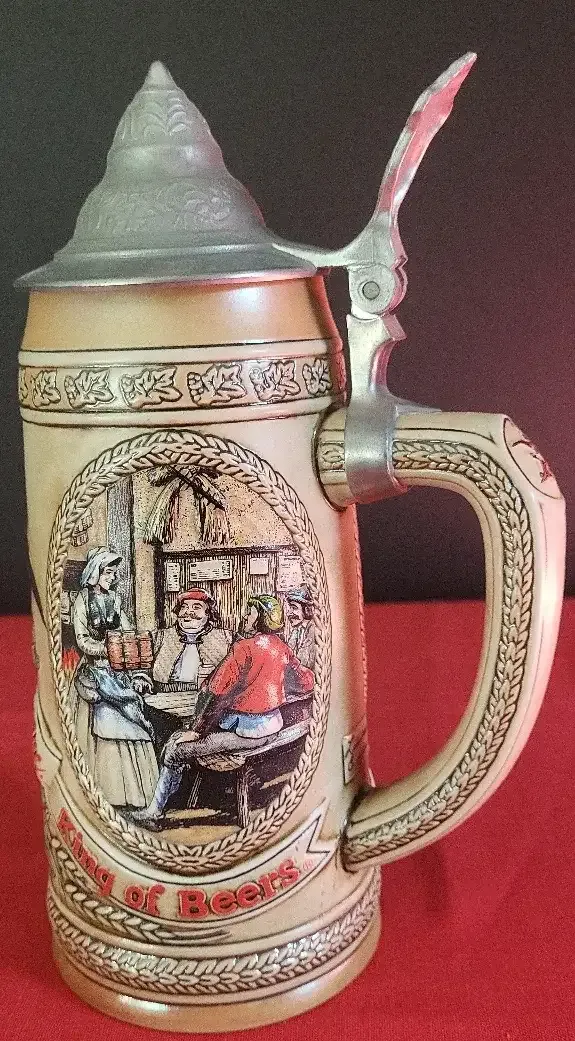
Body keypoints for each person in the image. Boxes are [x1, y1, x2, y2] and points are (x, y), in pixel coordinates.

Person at [130, 594, 314, 828]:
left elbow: (215, 693)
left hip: (245, 735)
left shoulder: (243, 648)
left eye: (250, 613)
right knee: (180, 739)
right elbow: (306, 681)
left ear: (260, 617)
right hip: (272, 729)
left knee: (175, 749)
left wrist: (196, 730)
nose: (245, 617)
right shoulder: (280, 647)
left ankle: (154, 813)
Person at [71, 547, 159, 810]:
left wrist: (131, 653)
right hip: (95, 673)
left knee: (135, 724)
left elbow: (127, 632)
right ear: (95, 573)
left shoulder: (115, 600)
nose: (112, 577)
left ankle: (138, 796)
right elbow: (82, 640)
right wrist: (109, 649)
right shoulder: (82, 601)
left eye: (113, 573)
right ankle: (109, 794)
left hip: (119, 672)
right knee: (107, 724)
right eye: (108, 572)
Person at [150, 589, 232, 697]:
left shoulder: (227, 637)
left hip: (210, 698)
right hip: (164, 695)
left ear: (208, 614)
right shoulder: (160, 636)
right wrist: (142, 678)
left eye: (196, 607)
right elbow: (142, 667)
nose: (188, 612)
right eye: (184, 607)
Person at [285, 587, 316, 669]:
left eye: (294, 608)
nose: (289, 613)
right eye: (290, 608)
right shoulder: (297, 630)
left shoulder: (312, 630)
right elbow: (287, 656)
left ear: (306, 610)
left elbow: (303, 664)